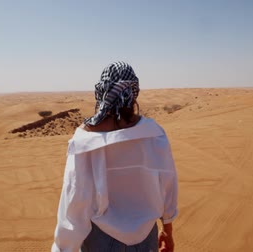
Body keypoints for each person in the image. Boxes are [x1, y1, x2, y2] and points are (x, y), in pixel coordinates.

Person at [52, 62, 178, 252]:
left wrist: (63, 249)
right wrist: (167, 230)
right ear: (134, 92)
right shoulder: (154, 133)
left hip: (102, 241)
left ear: (101, 91)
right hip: (146, 239)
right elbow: (168, 184)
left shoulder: (85, 139)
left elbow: (75, 203)